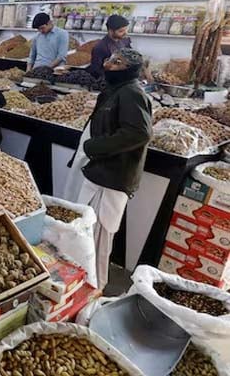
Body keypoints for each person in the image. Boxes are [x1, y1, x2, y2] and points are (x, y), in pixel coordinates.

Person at [63, 48, 152, 289]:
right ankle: (81, 287)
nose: (108, 64)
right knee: (85, 236)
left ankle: (95, 289)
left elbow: (139, 133)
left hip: (111, 179)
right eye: (110, 59)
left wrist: (94, 147)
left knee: (98, 242)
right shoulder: (116, 90)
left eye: (117, 62)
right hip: (98, 173)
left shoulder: (132, 93)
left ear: (130, 70)